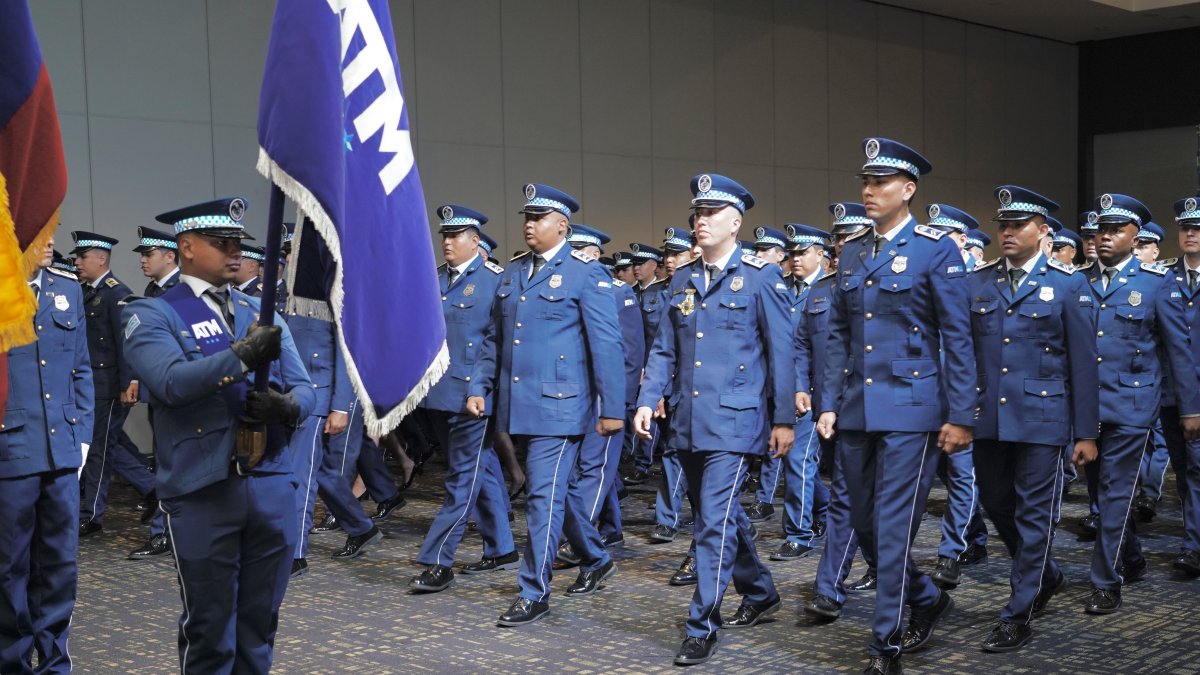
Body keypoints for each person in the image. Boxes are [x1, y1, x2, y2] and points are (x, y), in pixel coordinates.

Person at [122, 197, 316, 672]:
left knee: (259, 623)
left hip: (270, 483)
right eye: (221, 243)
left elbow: (306, 388)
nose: (235, 252)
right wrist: (243, 356)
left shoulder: (260, 310)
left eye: (238, 244)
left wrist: (288, 406)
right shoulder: (153, 313)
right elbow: (169, 383)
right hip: (203, 489)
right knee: (210, 628)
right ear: (186, 247)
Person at [816, 139, 975, 675]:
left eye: (880, 183)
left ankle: (885, 646)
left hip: (913, 406)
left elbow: (958, 336)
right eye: (865, 182)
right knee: (860, 524)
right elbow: (839, 332)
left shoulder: (936, 250)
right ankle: (926, 596)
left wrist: (960, 414)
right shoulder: (856, 250)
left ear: (907, 190)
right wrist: (829, 401)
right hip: (859, 407)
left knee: (891, 527)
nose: (868, 191)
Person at [635, 173, 794, 666]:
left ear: (735, 222)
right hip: (688, 418)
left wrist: (784, 418)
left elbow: (782, 351)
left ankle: (701, 622)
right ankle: (761, 591)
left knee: (710, 524)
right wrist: (647, 397)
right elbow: (664, 348)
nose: (699, 222)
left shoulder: (760, 277)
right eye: (696, 214)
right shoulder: (681, 279)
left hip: (736, 421)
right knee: (718, 517)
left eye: (710, 215)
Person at [466, 183, 625, 627]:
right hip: (519, 404)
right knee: (556, 491)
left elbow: (607, 346)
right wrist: (479, 385)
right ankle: (595, 557)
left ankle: (533, 590)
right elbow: (493, 339)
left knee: (541, 497)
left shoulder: (585, 274)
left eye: (539, 219)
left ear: (563, 226)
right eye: (526, 218)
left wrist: (613, 409)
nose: (529, 225)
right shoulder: (513, 273)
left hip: (562, 407)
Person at [968, 185, 1099, 652]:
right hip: (989, 417)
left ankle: (1017, 611)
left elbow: (1084, 364)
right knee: (997, 502)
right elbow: (966, 358)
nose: (1006, 232)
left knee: (1034, 514)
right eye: (1002, 225)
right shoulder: (978, 282)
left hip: (1044, 417)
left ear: (1042, 232)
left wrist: (1085, 432)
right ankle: (1046, 573)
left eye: (1017, 225)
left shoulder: (1068, 284)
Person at [1080, 193, 1200, 614]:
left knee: (1115, 493)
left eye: (1116, 230)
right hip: (1085, 408)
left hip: (1133, 406)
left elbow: (1178, 350)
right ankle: (1130, 557)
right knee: (1098, 491)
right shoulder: (1080, 280)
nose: (1106, 237)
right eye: (1102, 229)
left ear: (1136, 237)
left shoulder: (1155, 283)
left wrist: (1189, 409)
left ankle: (1105, 580)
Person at [409, 205, 517, 594]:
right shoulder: (434, 278)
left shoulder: (494, 280)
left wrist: (484, 390)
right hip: (438, 395)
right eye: (444, 236)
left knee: (461, 480)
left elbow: (497, 343)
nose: (447, 242)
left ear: (476, 241)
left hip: (473, 397)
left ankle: (439, 559)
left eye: (456, 236)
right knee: (480, 471)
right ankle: (502, 547)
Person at [0, 236, 92, 673]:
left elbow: (82, 368)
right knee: (9, 568)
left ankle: (55, 663)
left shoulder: (67, 287)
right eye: (41, 231)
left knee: (59, 566)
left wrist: (84, 438)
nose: (52, 239)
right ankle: (12, 663)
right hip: (11, 449)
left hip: (63, 450)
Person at [285, 221, 380, 578]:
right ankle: (361, 526)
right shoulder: (282, 293)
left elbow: (346, 353)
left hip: (317, 395)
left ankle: (295, 553)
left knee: (301, 475)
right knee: (318, 470)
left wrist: (341, 405)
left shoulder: (333, 293)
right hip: (287, 394)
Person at [803, 203, 881, 622]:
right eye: (838, 238)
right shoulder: (825, 289)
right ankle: (828, 588)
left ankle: (903, 580)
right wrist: (823, 401)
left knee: (877, 507)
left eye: (851, 236)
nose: (842, 245)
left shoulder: (891, 277)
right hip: (845, 405)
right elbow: (821, 348)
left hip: (896, 408)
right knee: (846, 500)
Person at [555, 224, 642, 579]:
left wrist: (619, 400)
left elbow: (631, 351)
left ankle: (579, 540)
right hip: (577, 392)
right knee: (586, 469)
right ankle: (609, 527)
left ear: (594, 252)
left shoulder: (617, 291)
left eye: (581, 250)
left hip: (605, 394)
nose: (575, 256)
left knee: (596, 467)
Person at [923, 203, 991, 589]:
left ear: (962, 239)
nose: (937, 243)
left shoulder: (978, 279)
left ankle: (951, 552)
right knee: (948, 478)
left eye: (945, 235)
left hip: (963, 392)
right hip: (927, 389)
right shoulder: (925, 273)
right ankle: (974, 537)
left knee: (963, 475)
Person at [72, 231, 155, 537]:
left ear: (102, 258)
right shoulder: (85, 292)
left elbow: (125, 343)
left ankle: (91, 515)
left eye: (83, 257)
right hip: (89, 384)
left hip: (107, 385)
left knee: (99, 451)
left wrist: (130, 381)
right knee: (111, 446)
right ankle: (152, 487)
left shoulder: (116, 294)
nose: (78, 262)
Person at [769, 223, 832, 562]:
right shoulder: (780, 288)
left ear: (821, 254)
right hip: (781, 389)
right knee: (796, 462)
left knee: (799, 461)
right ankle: (823, 509)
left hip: (811, 393)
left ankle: (799, 533)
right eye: (792, 253)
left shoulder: (829, 289)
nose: (795, 259)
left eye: (803, 252)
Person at [127, 226, 182, 560]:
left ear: (170, 256)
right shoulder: (154, 288)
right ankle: (168, 530)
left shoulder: (183, 291)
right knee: (165, 461)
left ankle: (165, 532)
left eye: (149, 255)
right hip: (159, 391)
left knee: (173, 463)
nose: (143, 261)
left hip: (178, 389)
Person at [1163, 196, 1200, 577]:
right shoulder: (1163, 277)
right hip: (1172, 392)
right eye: (1186, 227)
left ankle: (1193, 546)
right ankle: (1193, 542)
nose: (1190, 233)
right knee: (1184, 470)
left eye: (1198, 228)